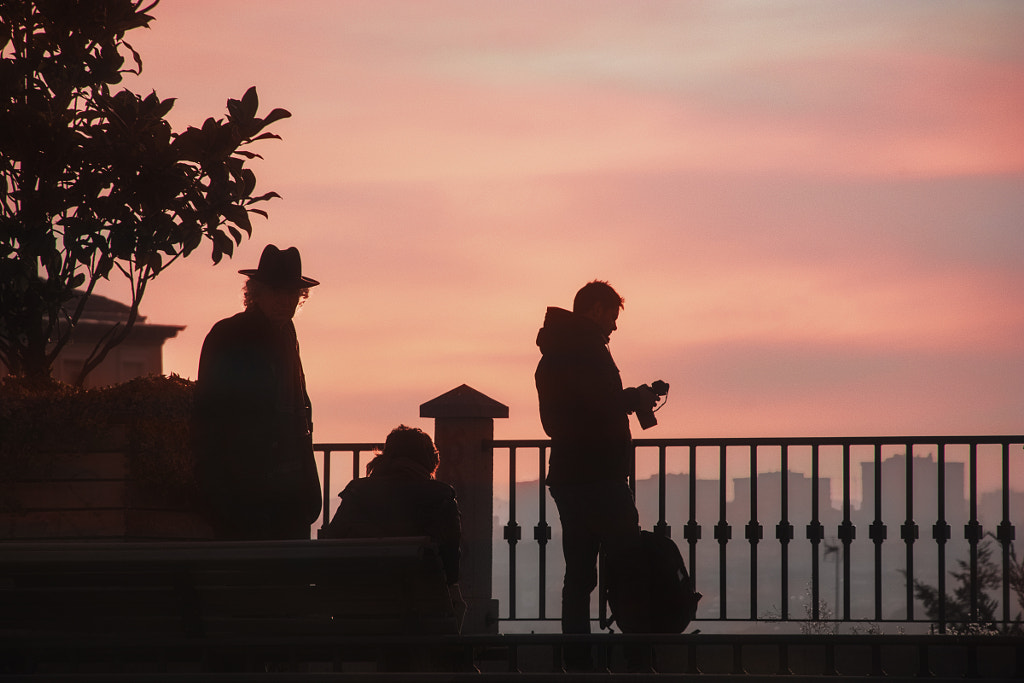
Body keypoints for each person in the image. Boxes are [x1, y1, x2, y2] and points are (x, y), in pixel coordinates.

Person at [535, 280, 658, 671]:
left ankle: (577, 658)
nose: (614, 327)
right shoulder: (586, 351)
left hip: (569, 476)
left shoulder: (553, 353)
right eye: (612, 316)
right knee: (628, 565)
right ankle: (637, 656)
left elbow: (568, 414)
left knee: (579, 573)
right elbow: (600, 404)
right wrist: (633, 398)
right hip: (601, 476)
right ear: (595, 310)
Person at [193, 244, 323, 540]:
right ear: (256, 293)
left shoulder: (286, 334)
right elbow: (210, 413)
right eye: (276, 292)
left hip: (284, 491)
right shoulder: (229, 335)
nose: (285, 301)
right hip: (244, 489)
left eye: (291, 294)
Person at [324, 425, 466, 630]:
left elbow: (332, 546)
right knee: (456, 601)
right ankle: (454, 662)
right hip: (421, 617)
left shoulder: (357, 494)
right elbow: (451, 572)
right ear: (429, 461)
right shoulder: (440, 498)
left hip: (357, 615)